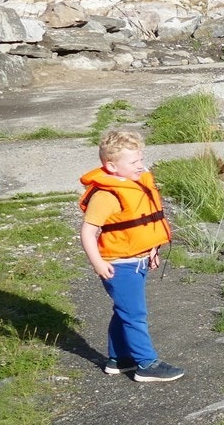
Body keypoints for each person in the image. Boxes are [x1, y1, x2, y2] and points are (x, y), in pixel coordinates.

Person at [78, 128, 184, 382]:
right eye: (134, 162)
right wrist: (98, 263)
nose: (141, 166)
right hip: (119, 265)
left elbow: (141, 227)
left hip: (137, 260)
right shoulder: (106, 195)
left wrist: (152, 249)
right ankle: (146, 364)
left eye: (141, 159)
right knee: (134, 315)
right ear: (112, 167)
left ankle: (120, 359)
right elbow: (87, 232)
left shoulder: (134, 185)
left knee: (123, 310)